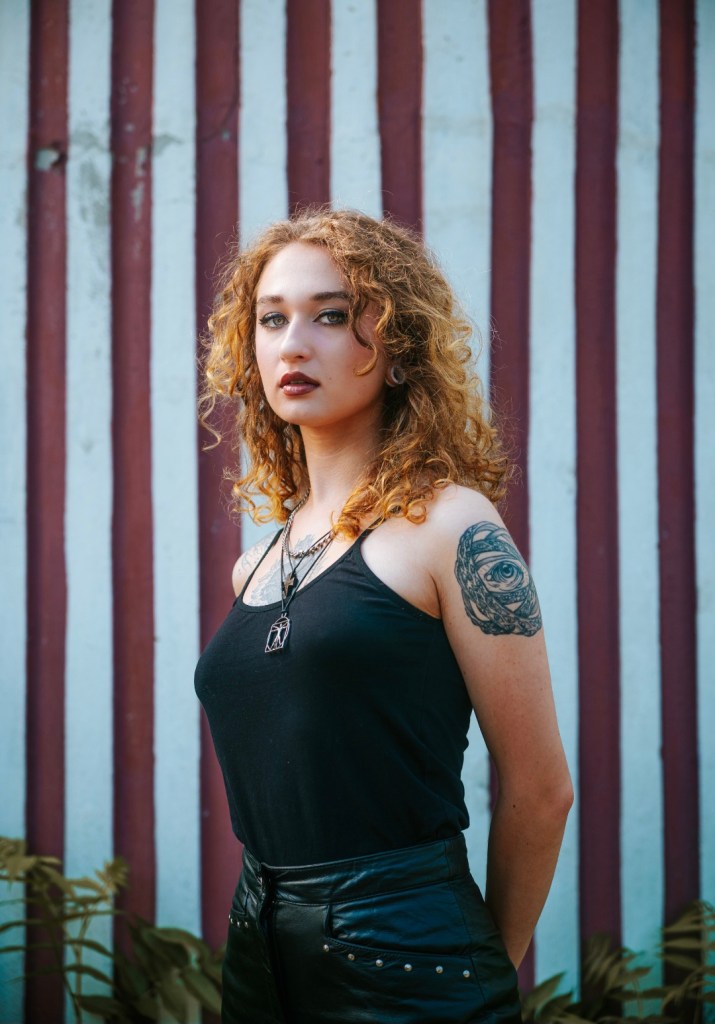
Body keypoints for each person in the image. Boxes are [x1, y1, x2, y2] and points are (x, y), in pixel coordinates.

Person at [194, 208, 573, 1024]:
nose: (293, 344)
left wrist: (476, 973)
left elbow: (541, 790)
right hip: (256, 954)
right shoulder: (255, 564)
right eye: (271, 319)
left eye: (330, 316)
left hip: (407, 951)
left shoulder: (450, 525)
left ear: (398, 348)